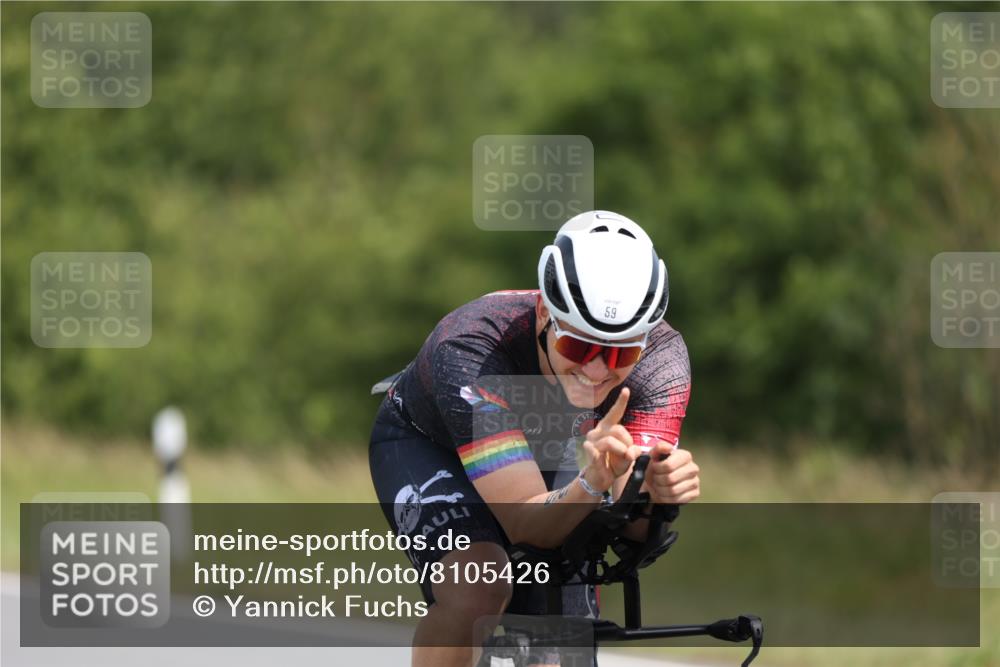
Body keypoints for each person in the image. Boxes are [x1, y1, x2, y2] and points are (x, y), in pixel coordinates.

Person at [369, 210, 701, 667]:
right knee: (479, 587)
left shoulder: (662, 360)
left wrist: (655, 495)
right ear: (545, 313)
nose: (597, 369)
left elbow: (629, 526)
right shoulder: (471, 346)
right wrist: (591, 482)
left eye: (620, 352)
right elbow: (525, 522)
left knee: (560, 637)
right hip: (433, 444)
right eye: (578, 347)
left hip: (564, 448)